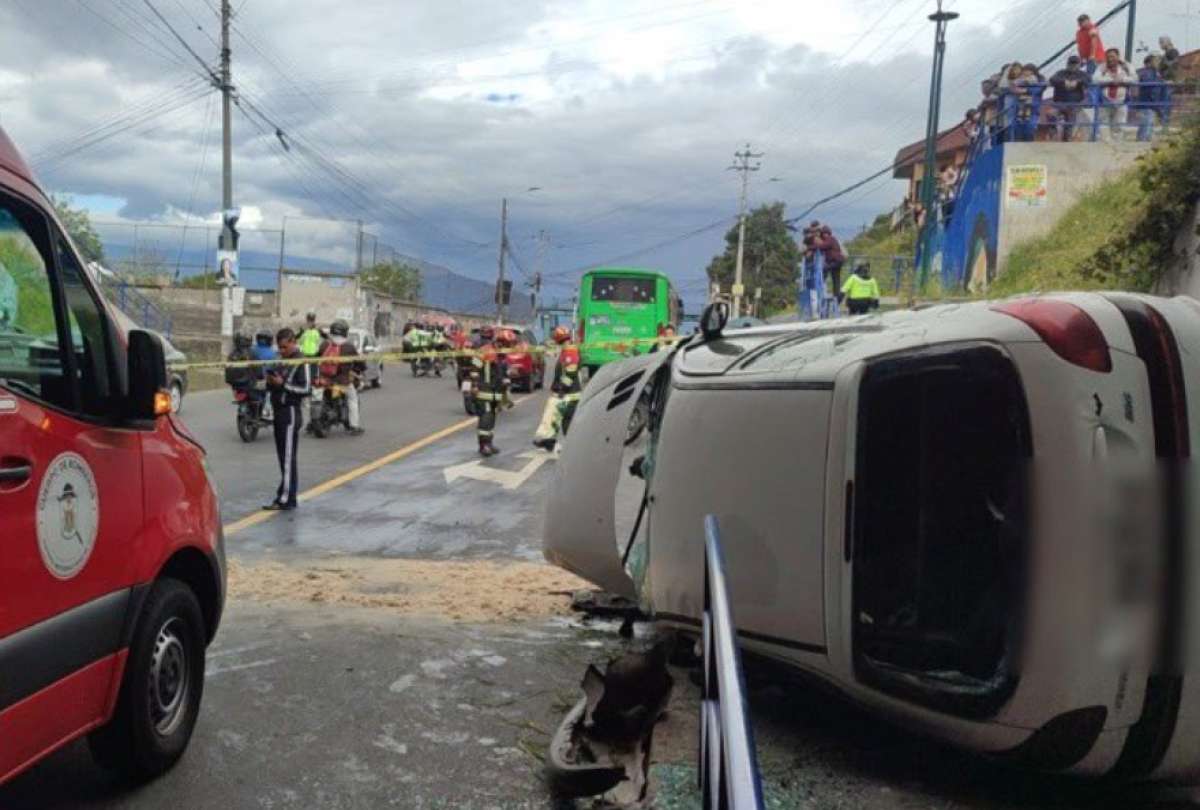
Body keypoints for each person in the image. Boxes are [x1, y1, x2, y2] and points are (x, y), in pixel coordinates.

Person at [264, 328, 311, 511]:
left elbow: (305, 389)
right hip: (278, 412)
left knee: (288, 459)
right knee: (283, 457)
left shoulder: (302, 361)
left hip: (290, 412)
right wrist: (270, 381)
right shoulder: (282, 361)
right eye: (279, 347)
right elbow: (275, 383)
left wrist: (283, 385)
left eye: (284, 347)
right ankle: (284, 494)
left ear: (293, 342)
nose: (281, 351)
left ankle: (286, 499)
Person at [533, 326, 581, 453]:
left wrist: (562, 389)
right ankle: (549, 442)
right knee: (554, 416)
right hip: (566, 393)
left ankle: (572, 447)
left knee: (566, 421)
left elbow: (570, 373)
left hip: (569, 394)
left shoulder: (570, 351)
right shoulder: (566, 350)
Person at [317, 319, 365, 436]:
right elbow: (360, 364)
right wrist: (357, 370)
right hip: (342, 382)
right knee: (352, 400)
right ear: (345, 332)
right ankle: (354, 426)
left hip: (325, 380)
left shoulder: (324, 344)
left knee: (317, 397)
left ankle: (312, 423)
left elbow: (316, 358)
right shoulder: (349, 347)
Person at [471, 326, 513, 457]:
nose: (508, 348)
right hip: (484, 391)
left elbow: (502, 373)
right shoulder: (484, 351)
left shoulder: (502, 356)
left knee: (492, 419)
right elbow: (474, 370)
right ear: (500, 342)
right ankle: (483, 446)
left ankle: (489, 443)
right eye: (506, 345)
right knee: (486, 418)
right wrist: (475, 385)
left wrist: (507, 379)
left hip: (496, 393)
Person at [1096, 48, 1134, 142]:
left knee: (1120, 125)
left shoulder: (1126, 67)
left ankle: (1118, 146)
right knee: (1103, 125)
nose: (1110, 59)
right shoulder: (1102, 67)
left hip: (1121, 101)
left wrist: (1122, 80)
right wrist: (1111, 80)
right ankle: (1105, 146)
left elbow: (1134, 78)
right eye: (1108, 57)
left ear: (1118, 57)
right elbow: (1095, 79)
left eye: (1112, 56)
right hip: (1105, 101)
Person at [1050, 55, 1092, 141]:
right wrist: (1064, 82)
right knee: (1050, 115)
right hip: (1059, 103)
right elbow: (1052, 79)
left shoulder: (1082, 74)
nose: (1072, 66)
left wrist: (1077, 82)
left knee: (1070, 124)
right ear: (1067, 64)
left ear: (1079, 64)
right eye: (1071, 63)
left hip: (1074, 104)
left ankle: (1066, 141)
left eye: (1075, 63)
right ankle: (1053, 134)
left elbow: (1088, 79)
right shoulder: (1061, 73)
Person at [1135, 55, 1167, 142]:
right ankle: (1142, 141)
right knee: (1146, 123)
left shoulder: (1154, 73)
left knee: (1148, 124)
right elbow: (1150, 86)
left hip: (1149, 103)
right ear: (1149, 63)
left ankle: (1143, 140)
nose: (1158, 63)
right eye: (1156, 61)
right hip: (1147, 102)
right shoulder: (1147, 72)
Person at [251, 329, 279, 420]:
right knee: (270, 392)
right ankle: (267, 413)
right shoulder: (273, 354)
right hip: (265, 380)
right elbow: (277, 367)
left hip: (252, 379)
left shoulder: (252, 350)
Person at [815, 225, 846, 294]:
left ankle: (821, 282)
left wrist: (814, 246)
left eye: (824, 234)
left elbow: (822, 246)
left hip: (836, 260)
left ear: (827, 233)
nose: (823, 236)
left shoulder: (830, 239)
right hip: (838, 261)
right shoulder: (832, 239)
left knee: (825, 269)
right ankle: (836, 295)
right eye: (823, 234)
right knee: (836, 278)